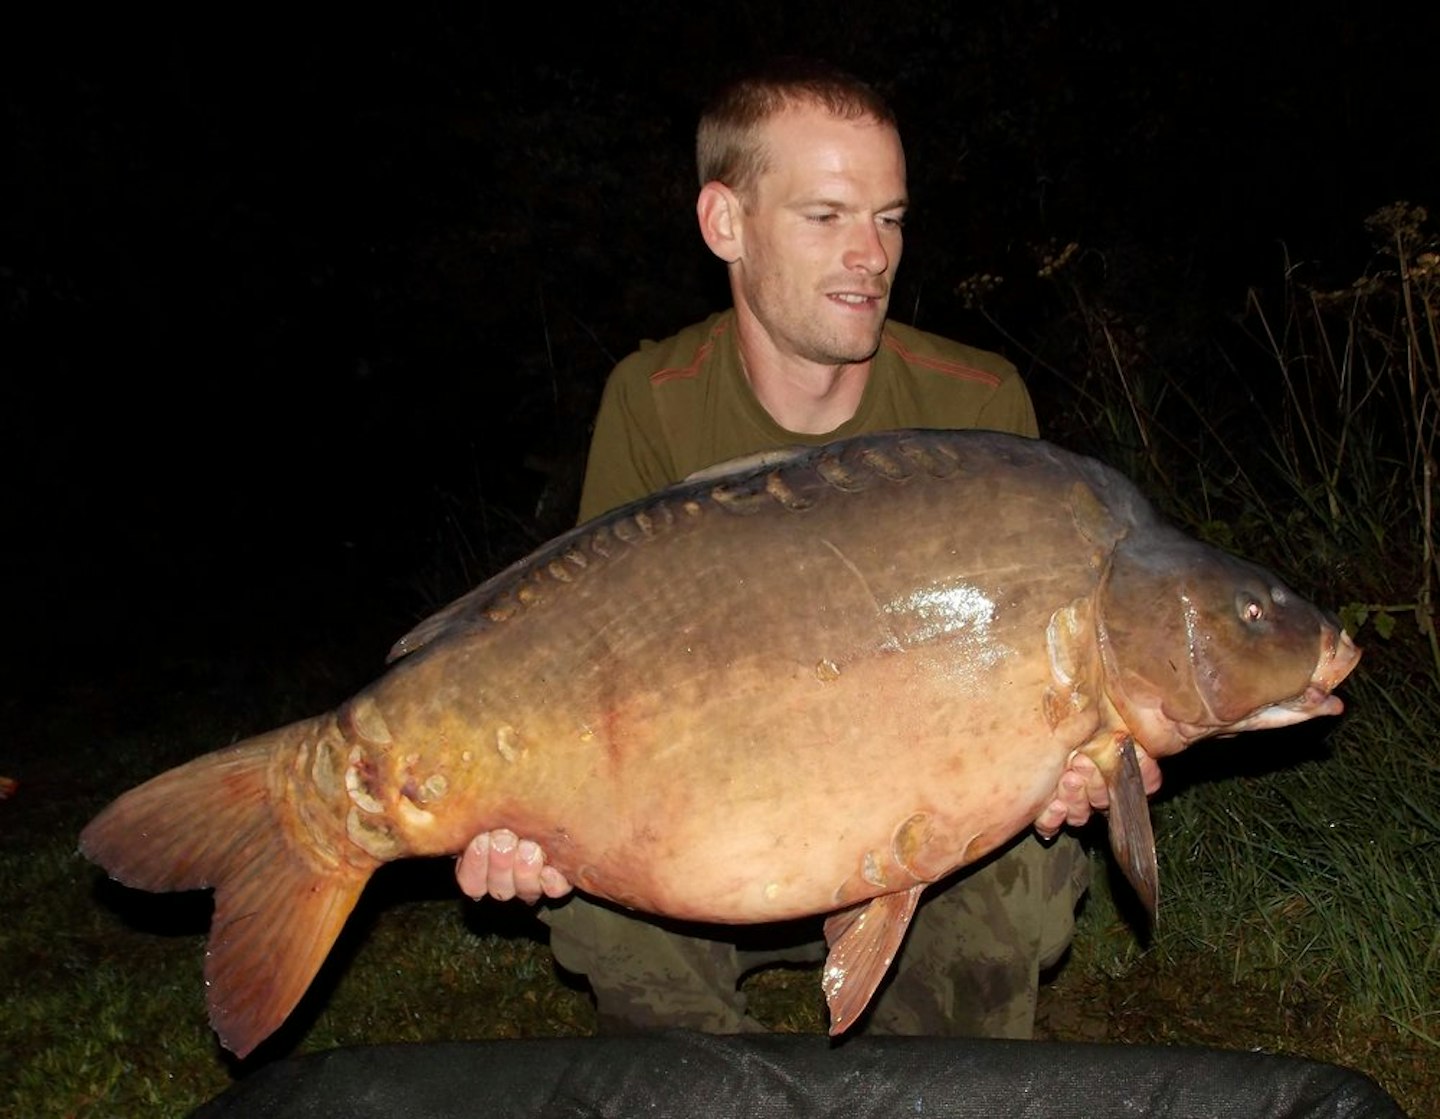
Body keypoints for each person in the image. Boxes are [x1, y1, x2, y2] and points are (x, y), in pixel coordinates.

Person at [457, 59, 1159, 1037]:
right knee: (581, 891)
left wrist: (1075, 757)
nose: (871, 254)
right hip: (706, 838)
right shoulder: (654, 403)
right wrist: (514, 813)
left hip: (919, 828)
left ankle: (929, 1080)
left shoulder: (976, 407)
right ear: (726, 225)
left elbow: (1028, 675)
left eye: (890, 218)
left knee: (1033, 861)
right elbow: (588, 671)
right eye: (826, 217)